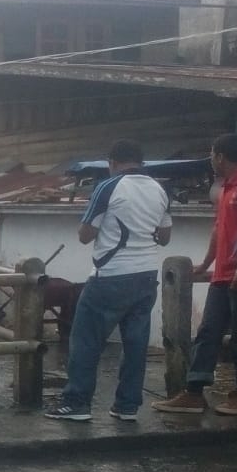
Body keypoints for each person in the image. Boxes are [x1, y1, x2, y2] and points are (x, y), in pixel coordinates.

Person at [45, 140, 172, 422]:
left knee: (86, 340)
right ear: (141, 162)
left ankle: (77, 403)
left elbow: (85, 234)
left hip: (111, 276)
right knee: (136, 343)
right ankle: (127, 406)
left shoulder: (108, 186)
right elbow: (164, 237)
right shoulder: (160, 189)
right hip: (147, 276)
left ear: (112, 162)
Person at [153, 134, 237, 416]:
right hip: (223, 274)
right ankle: (194, 391)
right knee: (208, 331)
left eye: (213, 155)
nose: (212, 160)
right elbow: (219, 229)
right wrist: (206, 263)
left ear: (220, 156)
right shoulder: (225, 188)